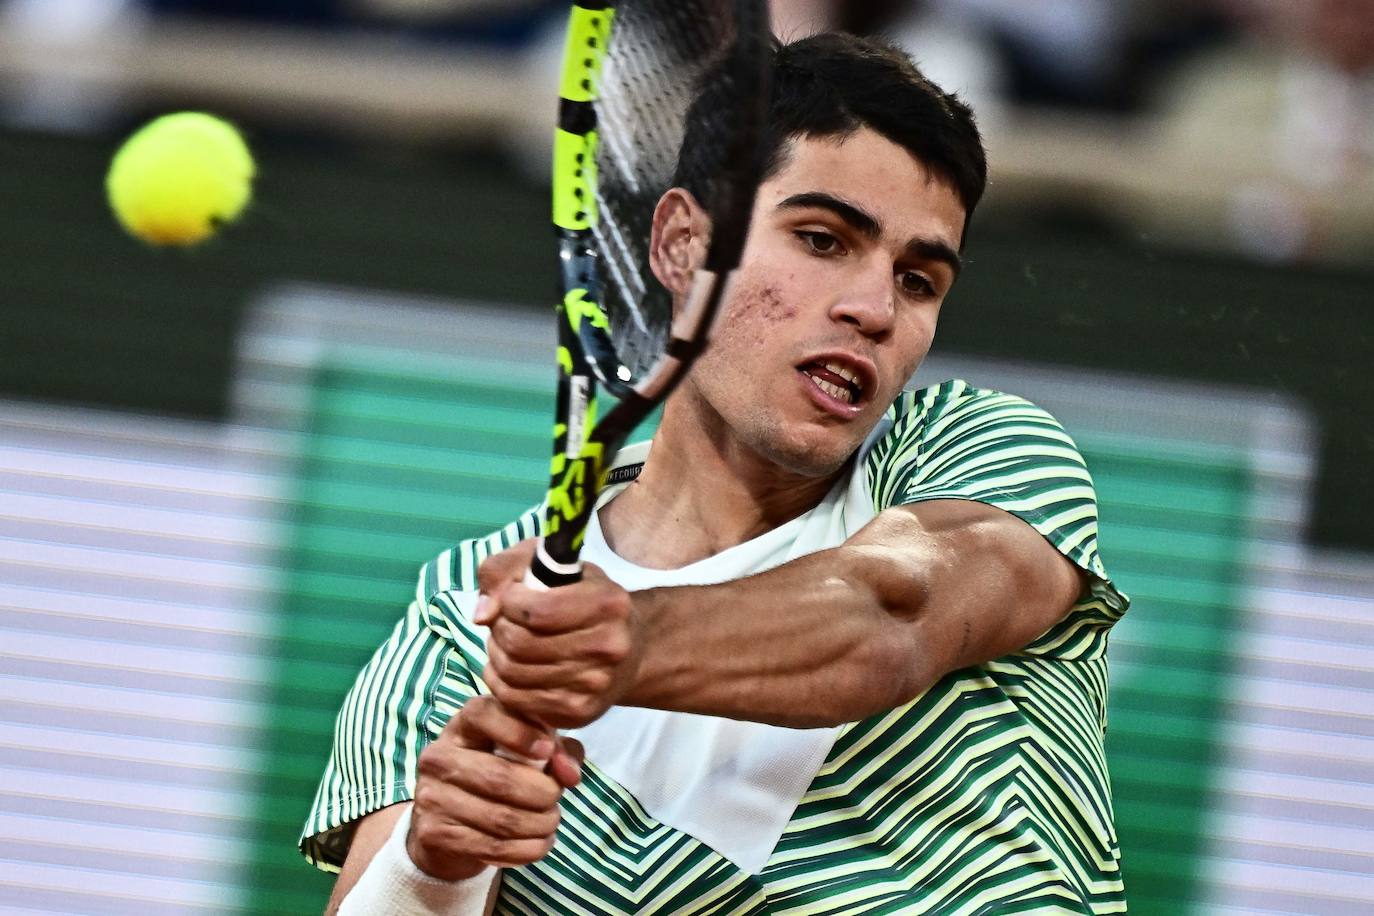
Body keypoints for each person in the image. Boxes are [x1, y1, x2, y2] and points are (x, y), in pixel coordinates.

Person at [301, 31, 1129, 915]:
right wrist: (435, 861)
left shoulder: (974, 450)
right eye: (821, 239)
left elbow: (895, 613)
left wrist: (629, 642)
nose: (874, 308)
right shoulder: (459, 623)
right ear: (682, 244)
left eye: (919, 280)